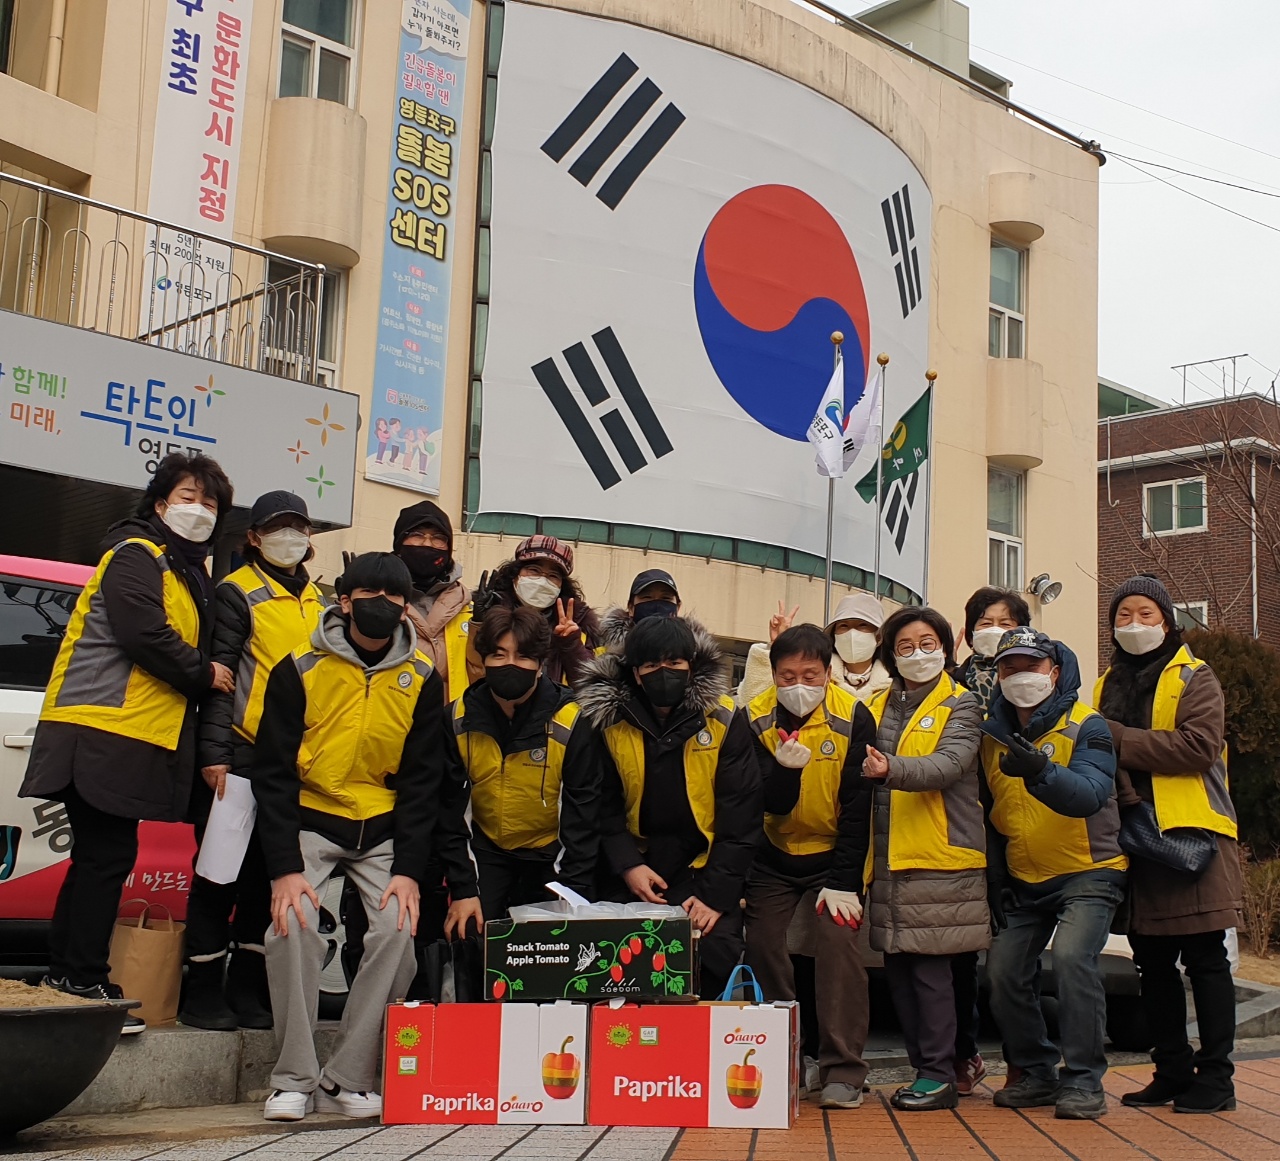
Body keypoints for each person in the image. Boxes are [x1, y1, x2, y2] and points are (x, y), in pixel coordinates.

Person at [23, 453, 234, 1033]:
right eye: (188, 497)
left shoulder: (179, 567)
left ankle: (67, 973)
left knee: (97, 855)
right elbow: (144, 632)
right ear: (160, 502)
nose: (199, 510)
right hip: (101, 728)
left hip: (125, 731)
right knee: (107, 856)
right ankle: (84, 977)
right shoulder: (137, 555)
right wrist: (204, 671)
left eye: (211, 504)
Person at [251, 552, 456, 1122]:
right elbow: (271, 774)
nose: (383, 607)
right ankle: (292, 1078)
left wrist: (409, 872)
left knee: (397, 929)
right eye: (371, 595)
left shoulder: (421, 679)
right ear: (344, 600)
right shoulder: (299, 669)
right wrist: (284, 868)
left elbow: (422, 783)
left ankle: (347, 1078)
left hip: (384, 828)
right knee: (290, 926)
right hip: (311, 820)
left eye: (396, 599)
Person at [1096, 575, 1241, 1115]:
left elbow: (1198, 747)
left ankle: (1218, 1079)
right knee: (1150, 963)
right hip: (1135, 836)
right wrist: (1125, 784)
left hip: (1193, 839)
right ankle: (1172, 1070)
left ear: (1167, 620)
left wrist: (1117, 738)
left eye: (1146, 614)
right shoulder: (1104, 683)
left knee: (1206, 960)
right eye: (1124, 615)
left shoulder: (1194, 676)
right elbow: (1098, 755)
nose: (1134, 625)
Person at [183, 491, 327, 1031]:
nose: (290, 537)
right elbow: (220, 681)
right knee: (219, 875)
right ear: (253, 537)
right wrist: (215, 754)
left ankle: (248, 990)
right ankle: (201, 992)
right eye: (278, 527)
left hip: (291, 762)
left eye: (299, 527)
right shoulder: (237, 592)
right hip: (239, 754)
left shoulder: (319, 599)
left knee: (268, 879)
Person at [980, 628, 1125, 1121]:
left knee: (1070, 959)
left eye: (1032, 665)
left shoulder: (1089, 725)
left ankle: (1084, 1080)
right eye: (1009, 668)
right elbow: (989, 813)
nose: (1020, 676)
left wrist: (1039, 770)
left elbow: (1089, 794)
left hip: (1090, 871)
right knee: (1001, 971)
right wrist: (997, 878)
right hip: (1024, 878)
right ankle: (1036, 1071)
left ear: (1055, 671)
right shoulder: (989, 733)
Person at [577, 615, 762, 999]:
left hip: (703, 866)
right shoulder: (607, 721)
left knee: (713, 948)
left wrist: (714, 895)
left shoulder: (725, 718)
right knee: (619, 961)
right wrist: (629, 865)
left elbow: (741, 817)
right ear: (636, 673)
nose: (665, 672)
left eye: (675, 663)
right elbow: (603, 807)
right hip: (636, 865)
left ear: (691, 665)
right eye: (651, 665)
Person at [744, 624, 877, 1110]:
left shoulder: (854, 716)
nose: (799, 683)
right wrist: (782, 772)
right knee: (762, 941)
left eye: (811, 673)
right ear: (774, 675)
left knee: (839, 942)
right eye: (787, 674)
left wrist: (844, 881)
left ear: (828, 673)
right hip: (773, 856)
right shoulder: (754, 717)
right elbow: (757, 803)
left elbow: (860, 803)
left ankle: (843, 1068)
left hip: (833, 856)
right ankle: (785, 1060)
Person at [861, 606, 987, 1112]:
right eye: (905, 646)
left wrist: (890, 767)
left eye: (927, 643)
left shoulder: (963, 704)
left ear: (945, 647)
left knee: (932, 974)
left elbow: (949, 764)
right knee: (901, 971)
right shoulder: (875, 703)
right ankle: (933, 1068)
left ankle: (937, 1073)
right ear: (891, 655)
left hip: (941, 856)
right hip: (889, 858)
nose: (918, 654)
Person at [445, 606, 602, 919]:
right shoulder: (456, 717)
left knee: (546, 947)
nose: (510, 665)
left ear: (541, 664)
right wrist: (463, 889)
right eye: (499, 655)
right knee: (470, 934)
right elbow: (447, 809)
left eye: (522, 656)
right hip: (485, 851)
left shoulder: (572, 720)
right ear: (484, 660)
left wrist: (573, 893)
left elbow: (584, 814)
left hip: (550, 854)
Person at [469, 535, 601, 686]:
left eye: (553, 576)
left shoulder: (578, 627)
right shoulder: (485, 613)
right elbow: (473, 672)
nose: (543, 581)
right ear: (515, 576)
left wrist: (571, 644)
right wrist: (480, 624)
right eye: (534, 570)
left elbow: (591, 686)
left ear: (561, 586)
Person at [737, 593, 891, 706]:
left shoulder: (894, 683)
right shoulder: (814, 673)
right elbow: (752, 703)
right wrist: (777, 648)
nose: (851, 634)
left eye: (862, 625)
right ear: (834, 635)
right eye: (844, 626)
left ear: (878, 637)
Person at [393, 500, 474, 702]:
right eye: (417, 535)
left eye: (438, 538)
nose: (427, 544)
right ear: (399, 544)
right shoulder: (380, 597)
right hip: (392, 718)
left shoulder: (468, 607)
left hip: (452, 723)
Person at [953, 587, 1033, 716]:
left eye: (1005, 624)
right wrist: (944, 669)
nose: (994, 630)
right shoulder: (953, 681)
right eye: (985, 624)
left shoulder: (1034, 680)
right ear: (971, 636)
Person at [599, 569, 682, 650]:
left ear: (678, 607)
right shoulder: (604, 648)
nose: (657, 605)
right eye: (647, 597)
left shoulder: (691, 652)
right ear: (631, 607)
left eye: (665, 598)